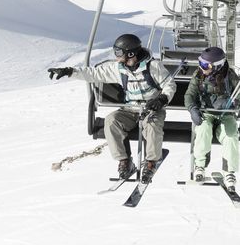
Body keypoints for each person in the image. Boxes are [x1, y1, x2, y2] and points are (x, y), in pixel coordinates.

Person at [48, 33, 175, 183]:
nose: (117, 57)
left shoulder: (153, 67)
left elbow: (170, 85)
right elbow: (95, 74)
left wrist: (161, 99)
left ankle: (151, 162)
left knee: (152, 125)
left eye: (119, 53)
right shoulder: (119, 69)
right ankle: (125, 161)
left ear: (130, 53)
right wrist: (70, 71)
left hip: (151, 109)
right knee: (111, 120)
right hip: (130, 109)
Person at [184, 45, 240, 189]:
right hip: (206, 113)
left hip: (226, 114)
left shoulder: (229, 75)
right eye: (200, 63)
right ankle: (200, 165)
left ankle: (229, 171)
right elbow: (189, 95)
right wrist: (193, 109)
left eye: (205, 65)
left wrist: (236, 101)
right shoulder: (199, 75)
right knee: (202, 130)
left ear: (217, 66)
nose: (201, 67)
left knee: (231, 135)